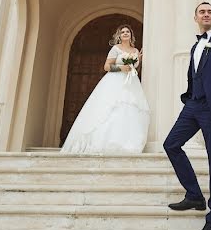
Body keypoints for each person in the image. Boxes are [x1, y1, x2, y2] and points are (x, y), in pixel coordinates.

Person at [163, 2, 211, 230]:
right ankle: (194, 195)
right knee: (171, 144)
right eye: (202, 12)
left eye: (210, 11)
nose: (206, 14)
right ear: (195, 17)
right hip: (193, 105)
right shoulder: (196, 45)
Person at [60, 24, 149, 154]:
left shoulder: (135, 51)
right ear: (119, 36)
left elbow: (135, 69)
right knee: (112, 108)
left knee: (129, 109)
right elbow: (107, 66)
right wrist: (121, 68)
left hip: (131, 83)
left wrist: (138, 61)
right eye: (122, 32)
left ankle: (126, 142)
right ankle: (106, 142)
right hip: (115, 81)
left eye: (127, 32)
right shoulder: (116, 48)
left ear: (131, 35)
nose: (125, 33)